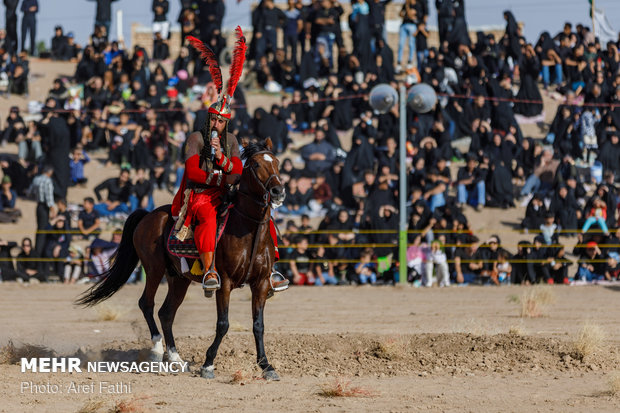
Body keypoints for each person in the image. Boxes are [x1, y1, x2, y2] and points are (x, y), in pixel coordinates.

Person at [173, 33, 288, 294]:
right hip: (201, 194)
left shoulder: (233, 141)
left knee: (263, 213)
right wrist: (221, 177)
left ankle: (271, 271)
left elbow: (237, 170)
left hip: (227, 193)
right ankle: (210, 269)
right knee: (207, 216)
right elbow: (192, 171)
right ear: (208, 118)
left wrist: (223, 160)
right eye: (214, 119)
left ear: (227, 124)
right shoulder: (195, 138)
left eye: (221, 121)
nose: (217, 124)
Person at [28, 165, 55, 255]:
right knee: (43, 230)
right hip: (45, 207)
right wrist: (53, 209)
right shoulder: (48, 181)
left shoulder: (36, 179)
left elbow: (29, 193)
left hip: (38, 206)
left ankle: (38, 249)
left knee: (39, 229)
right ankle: (39, 252)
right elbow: (49, 197)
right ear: (50, 172)